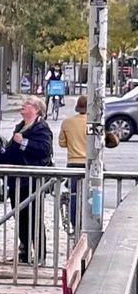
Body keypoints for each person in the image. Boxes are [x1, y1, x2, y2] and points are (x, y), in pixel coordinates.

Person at [0, 95, 55, 263]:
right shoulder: (21, 126)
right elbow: (12, 150)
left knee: (34, 217)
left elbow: (44, 149)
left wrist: (24, 143)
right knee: (21, 217)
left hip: (32, 180)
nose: (23, 105)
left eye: (27, 104)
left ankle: (40, 255)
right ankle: (24, 252)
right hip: (17, 179)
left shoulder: (41, 127)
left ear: (36, 109)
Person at [60, 95, 89, 229]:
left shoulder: (67, 122)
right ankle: (91, 223)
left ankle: (75, 224)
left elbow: (62, 143)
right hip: (90, 164)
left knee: (74, 196)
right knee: (93, 195)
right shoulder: (94, 122)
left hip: (73, 163)